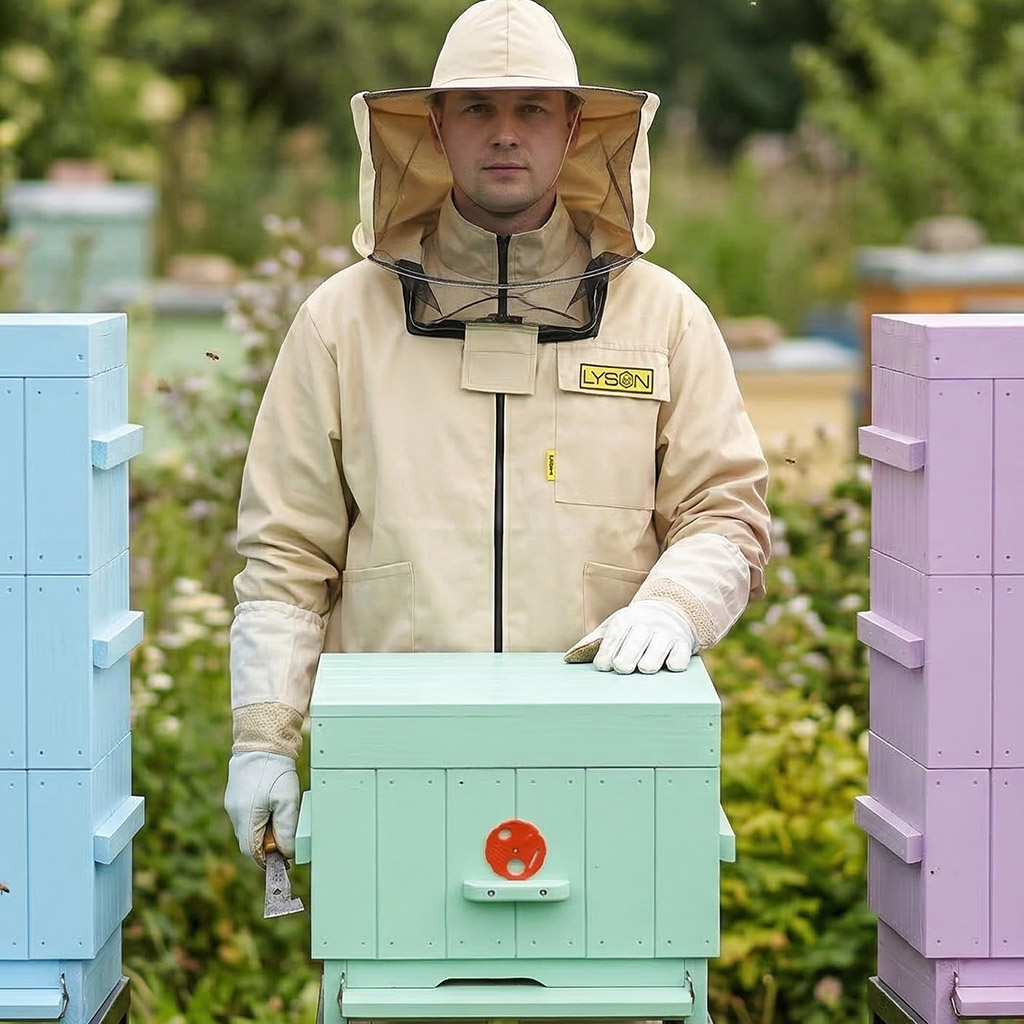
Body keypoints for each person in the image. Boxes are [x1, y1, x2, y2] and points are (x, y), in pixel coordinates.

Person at [224, 0, 771, 867]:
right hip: (397, 753)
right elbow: (288, 553)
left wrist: (676, 605)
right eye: (478, 107)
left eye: (532, 109)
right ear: (437, 127)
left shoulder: (662, 316)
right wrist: (262, 737)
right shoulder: (342, 322)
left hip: (606, 748)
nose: (505, 133)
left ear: (574, 128)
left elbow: (725, 512)